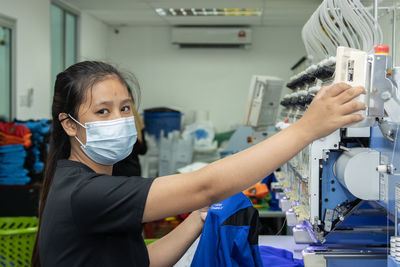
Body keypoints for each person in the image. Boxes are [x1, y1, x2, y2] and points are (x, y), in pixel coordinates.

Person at [32, 61, 366, 267]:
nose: (120, 119)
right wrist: (307, 128)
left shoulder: (83, 182)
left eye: (125, 108)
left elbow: (142, 261)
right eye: (102, 111)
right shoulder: (85, 193)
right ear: (70, 124)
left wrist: (197, 218)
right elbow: (205, 185)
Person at [113, 102, 147, 177]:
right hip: (135, 172)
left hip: (118, 175)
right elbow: (143, 150)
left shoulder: (116, 123)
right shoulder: (136, 119)